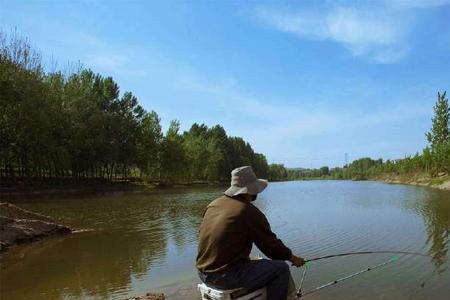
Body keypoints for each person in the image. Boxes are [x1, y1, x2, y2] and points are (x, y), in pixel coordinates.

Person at [196, 166, 305, 300]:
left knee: (255, 261)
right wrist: (293, 258)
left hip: (203, 273)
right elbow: (272, 249)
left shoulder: (213, 205)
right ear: (251, 189)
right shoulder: (248, 211)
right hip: (224, 277)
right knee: (280, 269)